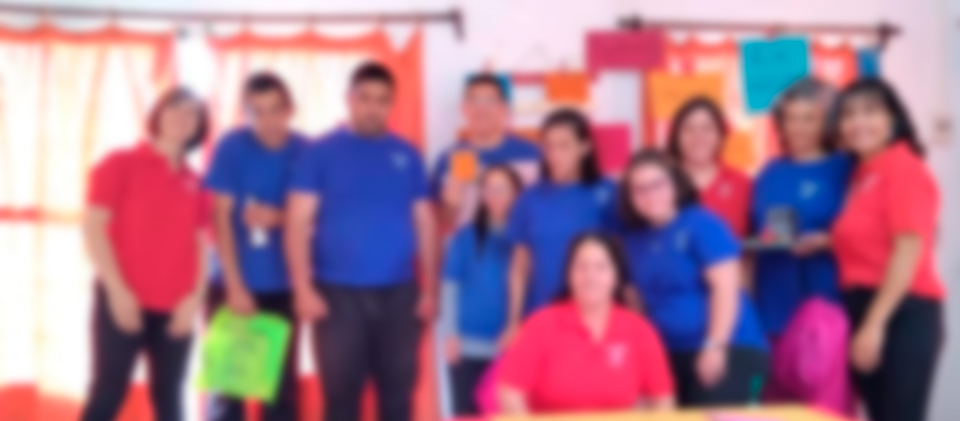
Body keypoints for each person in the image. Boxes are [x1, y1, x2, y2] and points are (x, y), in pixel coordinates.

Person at [285, 61, 437, 421]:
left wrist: (430, 289)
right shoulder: (320, 152)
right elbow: (296, 222)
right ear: (349, 99)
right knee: (341, 400)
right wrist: (303, 288)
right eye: (365, 98)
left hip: (399, 294)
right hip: (337, 295)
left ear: (391, 104)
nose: (373, 107)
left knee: (398, 398)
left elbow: (426, 223)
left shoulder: (408, 154)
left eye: (382, 100)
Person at [79, 87, 210, 421]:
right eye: (175, 108)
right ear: (158, 115)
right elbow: (94, 229)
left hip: (176, 308)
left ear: (199, 126)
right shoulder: (120, 163)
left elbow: (202, 244)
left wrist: (194, 300)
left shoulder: (197, 181)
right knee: (107, 393)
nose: (183, 117)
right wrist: (117, 292)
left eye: (192, 113)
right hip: (123, 301)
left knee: (170, 398)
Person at [830, 78, 944, 421]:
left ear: (892, 119)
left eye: (870, 112)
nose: (858, 122)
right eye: (849, 114)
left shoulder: (903, 167)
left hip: (901, 312)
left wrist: (874, 324)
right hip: (864, 306)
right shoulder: (862, 174)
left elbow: (907, 251)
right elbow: (870, 238)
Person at [617, 150, 768, 407]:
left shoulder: (702, 224)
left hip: (729, 347)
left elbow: (726, 288)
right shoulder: (632, 241)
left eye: (657, 184)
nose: (649, 194)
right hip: (667, 354)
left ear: (675, 184)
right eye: (638, 189)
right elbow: (636, 306)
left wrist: (715, 346)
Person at [204, 72, 306, 421]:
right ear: (246, 114)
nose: (268, 121)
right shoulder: (231, 147)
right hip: (233, 285)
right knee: (227, 393)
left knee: (279, 394)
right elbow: (219, 216)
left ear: (290, 110)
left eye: (275, 109)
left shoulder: (307, 150)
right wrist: (234, 286)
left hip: (285, 289)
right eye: (257, 112)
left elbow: (324, 214)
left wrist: (280, 218)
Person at [497, 233, 675, 415]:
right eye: (582, 267)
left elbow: (662, 400)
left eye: (601, 267)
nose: (591, 276)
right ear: (569, 274)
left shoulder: (641, 331)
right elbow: (510, 392)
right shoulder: (540, 325)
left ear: (616, 275)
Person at [502, 108, 616, 345]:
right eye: (549, 146)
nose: (555, 155)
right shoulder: (530, 198)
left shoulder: (609, 193)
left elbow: (624, 261)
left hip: (596, 320)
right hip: (541, 317)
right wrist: (513, 321)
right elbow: (519, 267)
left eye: (564, 146)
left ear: (585, 147)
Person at [750, 78, 853, 337]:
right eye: (791, 118)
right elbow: (759, 229)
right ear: (781, 124)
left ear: (825, 122)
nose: (798, 128)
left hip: (825, 307)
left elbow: (866, 233)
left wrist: (826, 241)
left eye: (808, 119)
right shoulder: (769, 172)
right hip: (772, 305)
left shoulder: (844, 168)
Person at [440, 165, 523, 416]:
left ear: (517, 193)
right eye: (488, 189)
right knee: (466, 413)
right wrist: (451, 334)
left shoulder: (526, 240)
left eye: (502, 189)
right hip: (468, 346)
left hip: (513, 346)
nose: (495, 196)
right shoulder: (465, 236)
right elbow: (450, 287)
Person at [432, 73, 541, 228]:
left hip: (518, 242)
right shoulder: (449, 157)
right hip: (470, 242)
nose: (481, 109)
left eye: (489, 101)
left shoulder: (532, 154)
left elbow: (546, 209)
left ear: (503, 108)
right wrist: (452, 200)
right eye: (474, 100)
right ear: (464, 108)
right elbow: (442, 219)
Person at [666, 97, 751, 238]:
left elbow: (758, 239)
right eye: (689, 129)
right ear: (676, 136)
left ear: (720, 135)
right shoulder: (661, 183)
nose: (698, 136)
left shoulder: (742, 184)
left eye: (707, 128)